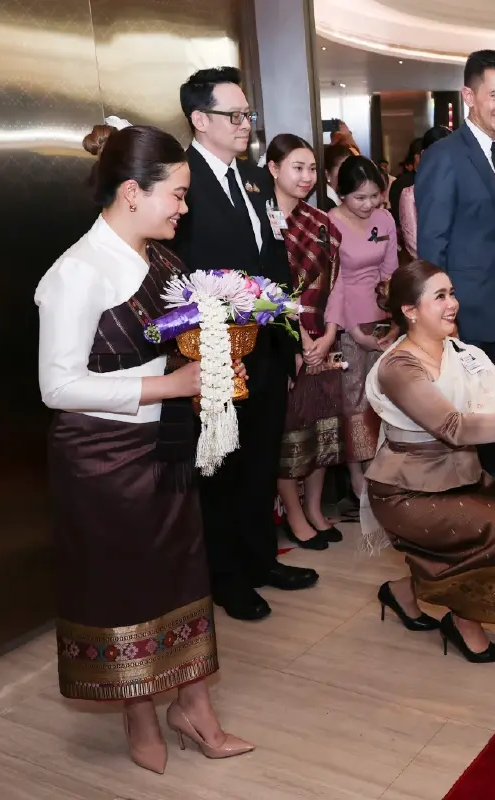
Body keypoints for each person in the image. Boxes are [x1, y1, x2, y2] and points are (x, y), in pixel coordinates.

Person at [37, 123, 254, 774]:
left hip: (161, 443)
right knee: (125, 589)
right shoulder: (75, 274)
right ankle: (139, 708)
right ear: (133, 192)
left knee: (182, 574)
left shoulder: (161, 258)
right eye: (179, 196)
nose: (184, 209)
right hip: (100, 460)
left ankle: (194, 707)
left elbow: (179, 331)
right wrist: (172, 383)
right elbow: (56, 386)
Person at [363, 261, 495, 662]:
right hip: (408, 491)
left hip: (459, 479)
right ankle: (464, 622)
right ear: (410, 311)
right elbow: (453, 427)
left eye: (452, 293)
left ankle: (401, 593)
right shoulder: (398, 366)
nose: (454, 304)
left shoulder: (463, 351)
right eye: (441, 296)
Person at [172, 67, 317, 622]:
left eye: (248, 115)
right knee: (223, 464)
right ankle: (226, 577)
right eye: (234, 116)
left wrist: (290, 336)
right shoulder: (184, 184)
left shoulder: (254, 179)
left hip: (267, 345)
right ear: (199, 119)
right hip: (216, 348)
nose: (245, 125)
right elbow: (180, 272)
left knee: (260, 457)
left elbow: (275, 260)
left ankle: (261, 559)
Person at [415, 49, 495, 480]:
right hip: (465, 311)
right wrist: (442, 315)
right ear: (469, 95)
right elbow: (433, 247)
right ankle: (480, 495)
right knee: (470, 411)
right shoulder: (444, 156)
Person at [266, 133, 349, 550]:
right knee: (290, 432)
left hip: (325, 336)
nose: (306, 176)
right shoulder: (260, 222)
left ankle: (316, 509)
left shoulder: (320, 221)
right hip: (285, 342)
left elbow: (337, 285)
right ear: (273, 169)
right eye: (297, 167)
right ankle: (295, 516)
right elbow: (267, 291)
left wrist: (330, 331)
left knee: (325, 431)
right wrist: (298, 342)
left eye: (312, 168)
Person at [324, 155, 399, 499]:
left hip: (383, 321)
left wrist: (395, 321)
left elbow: (390, 271)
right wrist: (354, 331)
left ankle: (384, 468)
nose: (369, 204)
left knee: (381, 397)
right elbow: (334, 282)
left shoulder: (384, 218)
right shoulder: (330, 222)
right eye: (360, 197)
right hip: (347, 324)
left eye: (374, 196)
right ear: (341, 194)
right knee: (352, 400)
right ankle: (357, 475)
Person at [399, 126, 452, 259]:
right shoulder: (410, 195)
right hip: (431, 270)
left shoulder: (465, 188)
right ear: (424, 155)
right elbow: (414, 246)